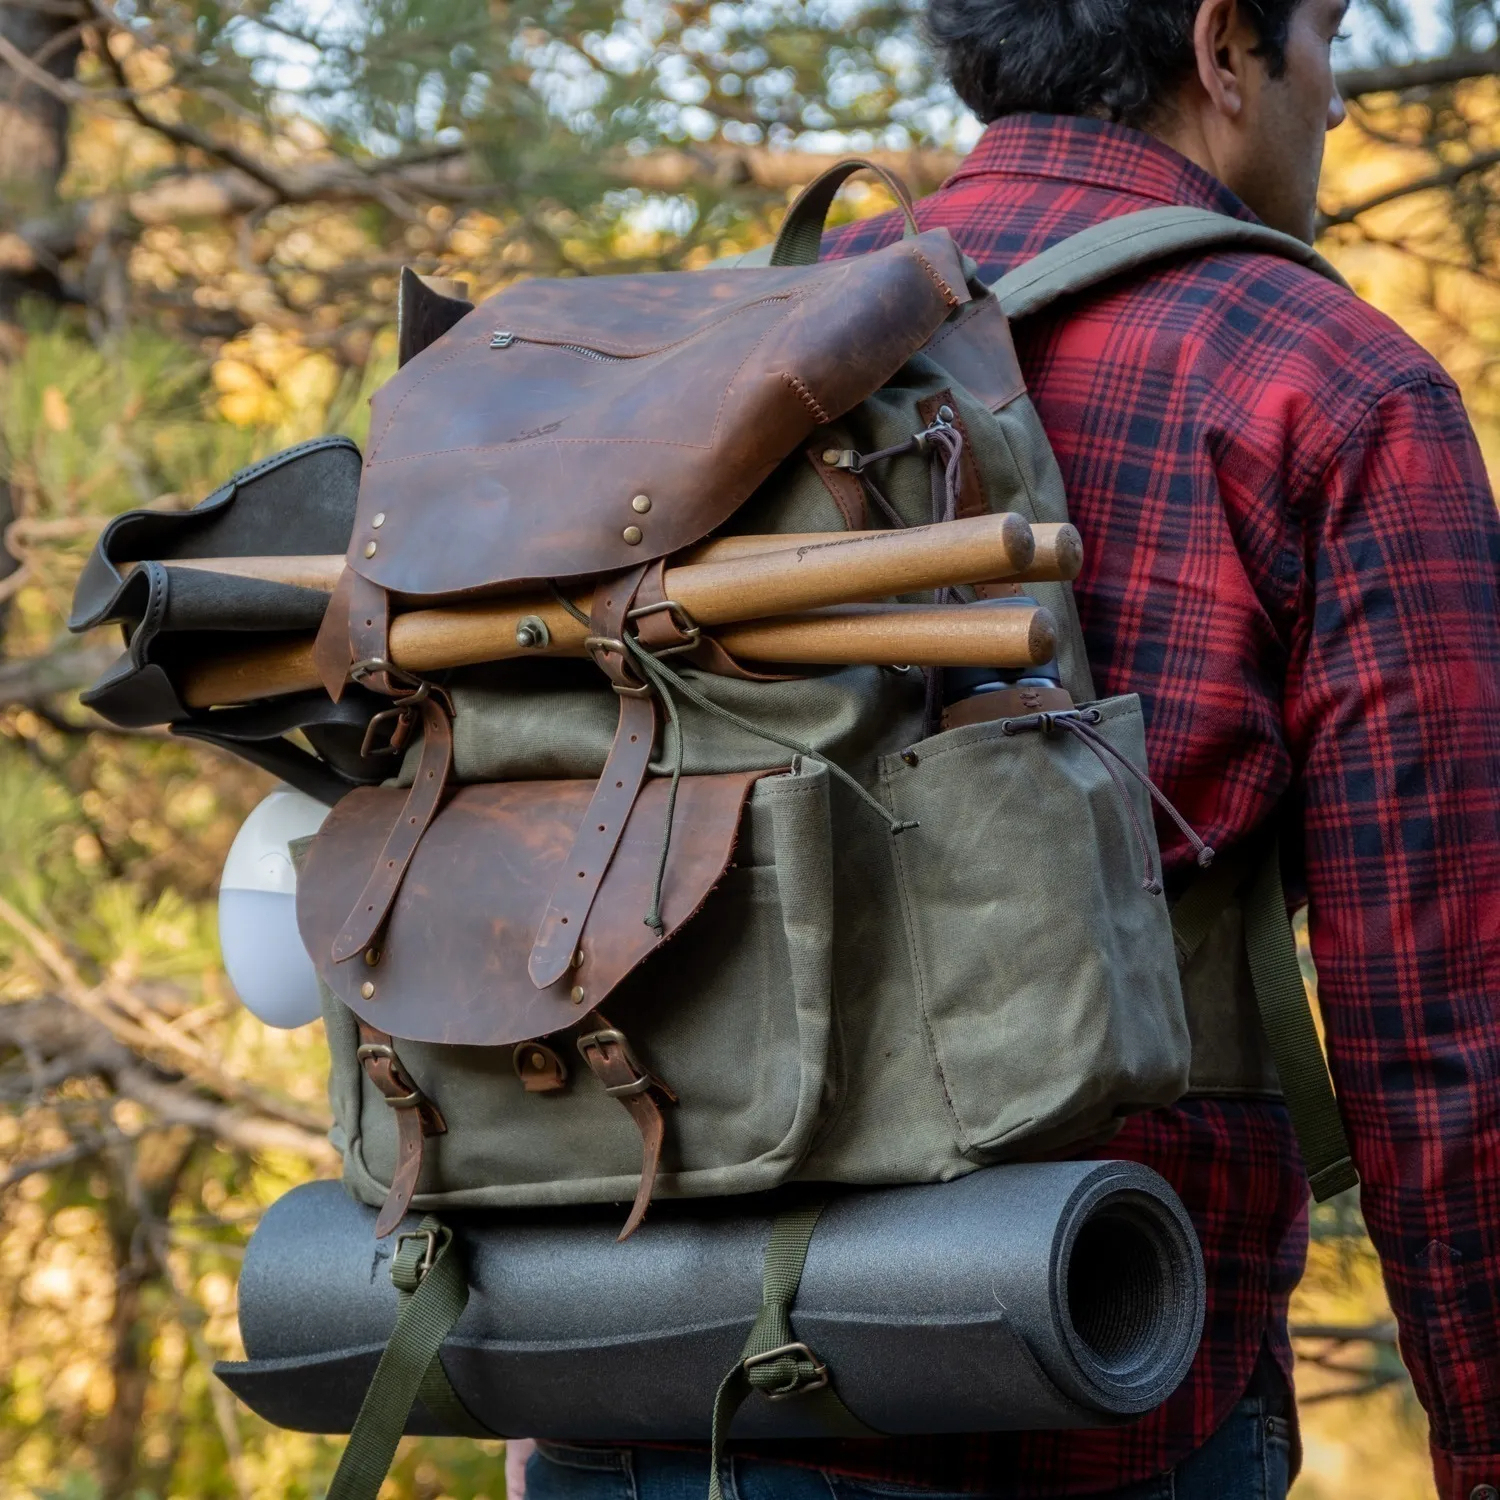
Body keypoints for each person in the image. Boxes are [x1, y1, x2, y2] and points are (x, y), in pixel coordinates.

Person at [521, 2, 1500, 1497]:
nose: (1341, 100)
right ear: (1221, 44)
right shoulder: (1328, 383)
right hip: (1077, 1373)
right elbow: (1439, 1026)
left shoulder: (722, 345)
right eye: (1328, 34)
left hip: (639, 1361)